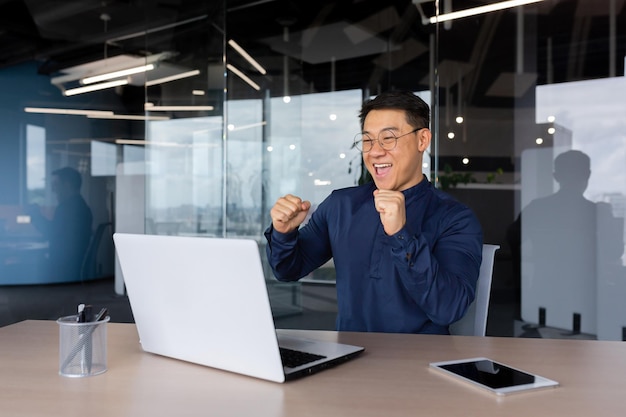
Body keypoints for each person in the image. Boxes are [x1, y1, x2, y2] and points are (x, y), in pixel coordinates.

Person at [264, 91, 483, 334]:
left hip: (420, 363)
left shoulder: (455, 218)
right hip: (349, 355)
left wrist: (402, 235)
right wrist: (284, 233)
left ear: (422, 140)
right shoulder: (341, 204)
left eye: (388, 138)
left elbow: (449, 308)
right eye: (367, 141)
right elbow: (287, 270)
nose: (375, 151)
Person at [28, 167, 93, 282]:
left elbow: (51, 233)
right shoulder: (80, 206)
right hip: (71, 268)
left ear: (67, 185)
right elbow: (58, 233)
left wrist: (36, 215)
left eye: (56, 185)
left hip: (63, 270)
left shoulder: (68, 208)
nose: (53, 190)